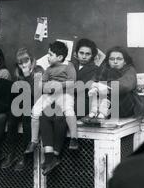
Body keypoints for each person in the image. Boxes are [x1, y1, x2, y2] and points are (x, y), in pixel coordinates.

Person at [39, 38, 102, 175]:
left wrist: (59, 86)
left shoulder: (96, 69)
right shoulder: (68, 65)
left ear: (92, 56)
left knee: (60, 116)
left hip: (82, 102)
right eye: (81, 53)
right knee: (44, 115)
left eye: (87, 54)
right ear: (76, 54)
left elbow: (83, 87)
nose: (84, 56)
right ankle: (49, 156)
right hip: (61, 98)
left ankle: (56, 155)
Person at [24, 41, 78, 155]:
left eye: (50, 55)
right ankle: (33, 141)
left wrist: (59, 85)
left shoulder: (69, 66)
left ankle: (74, 138)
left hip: (64, 94)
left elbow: (72, 82)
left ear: (60, 57)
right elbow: (42, 84)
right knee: (35, 111)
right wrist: (48, 87)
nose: (48, 57)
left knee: (68, 110)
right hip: (50, 94)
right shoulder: (48, 69)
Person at [0, 47, 44, 171]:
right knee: (11, 119)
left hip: (36, 104)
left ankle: (26, 156)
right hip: (23, 103)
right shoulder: (19, 73)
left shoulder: (39, 71)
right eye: (20, 62)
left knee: (26, 119)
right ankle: (11, 153)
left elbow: (36, 95)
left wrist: (27, 76)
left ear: (32, 60)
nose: (23, 64)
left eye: (26, 61)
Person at [81, 46, 143, 123]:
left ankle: (101, 112)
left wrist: (104, 88)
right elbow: (92, 82)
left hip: (126, 107)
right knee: (96, 86)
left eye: (119, 59)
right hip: (108, 106)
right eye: (112, 59)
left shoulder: (130, 69)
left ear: (125, 61)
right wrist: (94, 86)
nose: (115, 62)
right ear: (108, 61)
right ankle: (97, 113)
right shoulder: (104, 68)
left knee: (113, 76)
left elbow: (126, 85)